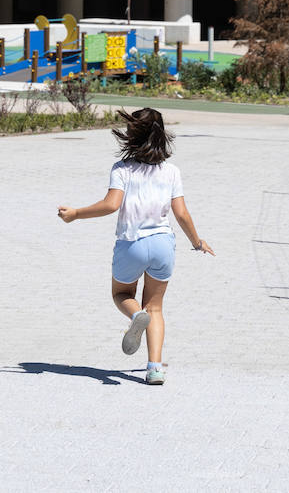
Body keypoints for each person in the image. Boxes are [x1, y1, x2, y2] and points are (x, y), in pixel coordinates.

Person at [57, 108, 214, 385]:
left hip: (132, 244)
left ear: (131, 137)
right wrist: (197, 242)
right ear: (161, 135)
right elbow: (182, 214)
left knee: (121, 294)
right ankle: (155, 369)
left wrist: (76, 213)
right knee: (156, 308)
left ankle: (135, 315)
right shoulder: (172, 171)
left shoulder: (122, 170)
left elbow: (111, 205)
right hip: (163, 244)